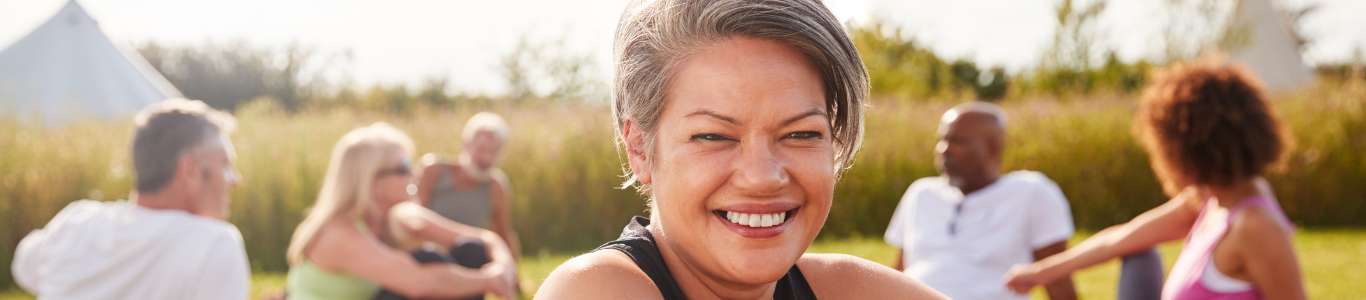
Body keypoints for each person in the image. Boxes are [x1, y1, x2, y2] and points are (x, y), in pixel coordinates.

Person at [536, 0, 949, 299]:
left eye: (801, 134)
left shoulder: (847, 288)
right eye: (713, 136)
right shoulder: (595, 290)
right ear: (640, 148)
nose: (763, 175)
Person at [1004, 56, 1307, 299]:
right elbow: (1122, 238)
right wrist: (1040, 273)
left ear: (1185, 149)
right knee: (1141, 252)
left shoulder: (1254, 227)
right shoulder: (1209, 200)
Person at [11, 98, 250, 300]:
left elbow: (23, 264)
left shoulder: (75, 222)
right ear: (190, 171)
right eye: (225, 165)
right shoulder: (215, 244)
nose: (235, 180)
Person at [284, 123, 517, 300]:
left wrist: (503, 267)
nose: (414, 172)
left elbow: (485, 239)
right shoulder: (337, 232)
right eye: (403, 166)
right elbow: (419, 283)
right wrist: (490, 280)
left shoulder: (399, 217)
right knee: (427, 263)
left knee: (469, 250)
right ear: (372, 181)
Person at [883, 101, 1078, 300]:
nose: (944, 150)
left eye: (957, 141)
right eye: (942, 139)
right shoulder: (921, 193)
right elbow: (899, 271)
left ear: (992, 148)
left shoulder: (1031, 193)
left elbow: (1057, 278)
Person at [417, 112, 520, 262]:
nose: (486, 158)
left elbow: (503, 233)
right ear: (466, 144)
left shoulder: (496, 186)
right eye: (482, 149)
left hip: (468, 256)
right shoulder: (433, 170)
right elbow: (414, 219)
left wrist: (514, 276)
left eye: (493, 151)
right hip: (429, 254)